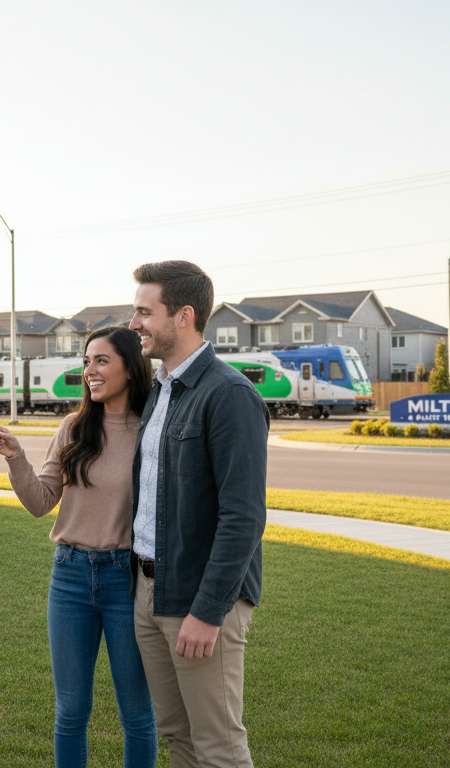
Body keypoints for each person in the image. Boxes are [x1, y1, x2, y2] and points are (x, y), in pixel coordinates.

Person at [0, 326, 158, 768]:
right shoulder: (73, 427)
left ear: (130, 366)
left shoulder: (152, 430)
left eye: (101, 361)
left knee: (137, 715)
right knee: (70, 712)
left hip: (128, 578)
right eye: (86, 362)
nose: (90, 372)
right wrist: (15, 457)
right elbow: (40, 502)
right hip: (70, 577)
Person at [126, 261, 269, 767]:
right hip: (149, 592)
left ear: (184, 315)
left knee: (219, 745)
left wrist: (208, 612)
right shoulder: (161, 388)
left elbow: (244, 516)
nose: (133, 322)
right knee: (178, 737)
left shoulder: (228, 394)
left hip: (201, 599)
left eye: (145, 311)